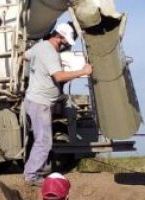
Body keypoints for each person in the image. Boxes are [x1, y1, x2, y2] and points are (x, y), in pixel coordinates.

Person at [23, 23, 93, 186]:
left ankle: (34, 171)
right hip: (41, 103)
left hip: (34, 100)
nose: (66, 44)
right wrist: (83, 71)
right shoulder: (50, 53)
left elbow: (24, 56)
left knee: (40, 139)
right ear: (58, 37)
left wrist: (37, 73)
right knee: (44, 141)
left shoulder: (40, 47)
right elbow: (59, 77)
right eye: (65, 41)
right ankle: (31, 175)